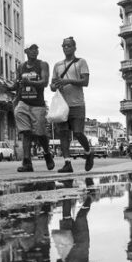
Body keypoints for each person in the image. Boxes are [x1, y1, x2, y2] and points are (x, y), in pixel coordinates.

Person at [8, 44, 56, 173]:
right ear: (26, 51)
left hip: (37, 104)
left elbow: (45, 82)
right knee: (26, 133)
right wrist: (7, 87)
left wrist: (30, 83)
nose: (35, 51)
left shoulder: (42, 65)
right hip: (24, 102)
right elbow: (16, 84)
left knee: (40, 134)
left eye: (36, 49)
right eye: (32, 49)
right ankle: (27, 162)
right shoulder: (21, 67)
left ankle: (47, 154)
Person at [50, 36, 93, 173]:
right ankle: (67, 163)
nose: (66, 48)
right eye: (64, 46)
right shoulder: (57, 65)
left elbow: (85, 82)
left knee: (78, 133)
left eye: (69, 45)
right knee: (63, 134)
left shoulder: (81, 62)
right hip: (62, 106)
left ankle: (88, 153)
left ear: (74, 47)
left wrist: (68, 81)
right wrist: (55, 85)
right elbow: (52, 85)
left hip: (77, 104)